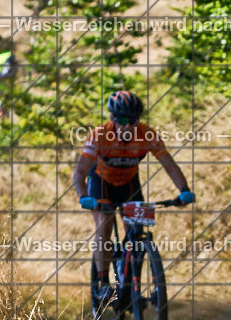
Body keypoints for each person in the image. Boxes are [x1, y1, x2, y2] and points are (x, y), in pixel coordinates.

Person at [72, 90, 195, 299]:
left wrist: (184, 190)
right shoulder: (99, 136)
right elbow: (79, 173)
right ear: (112, 118)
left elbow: (169, 164)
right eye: (122, 120)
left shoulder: (147, 134)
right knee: (104, 223)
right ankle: (102, 282)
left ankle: (130, 277)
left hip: (129, 185)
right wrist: (84, 197)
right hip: (101, 183)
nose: (127, 125)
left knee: (136, 231)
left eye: (133, 120)